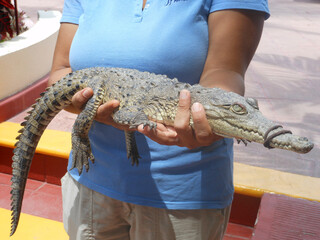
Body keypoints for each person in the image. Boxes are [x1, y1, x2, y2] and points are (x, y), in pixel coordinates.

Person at [49, 0, 269, 239]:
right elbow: (62, 70)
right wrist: (85, 105)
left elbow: (226, 70)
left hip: (183, 192)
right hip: (90, 178)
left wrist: (204, 115)